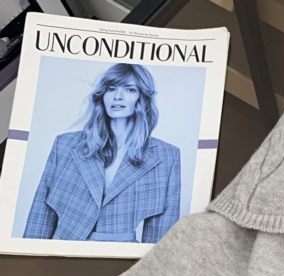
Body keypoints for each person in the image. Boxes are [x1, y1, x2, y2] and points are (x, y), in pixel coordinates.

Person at [23, 62, 181, 243]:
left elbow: (161, 236)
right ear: (102, 95)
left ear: (142, 97)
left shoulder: (166, 156)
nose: (118, 97)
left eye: (130, 90)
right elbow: (41, 213)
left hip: (119, 255)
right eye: (111, 89)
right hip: (62, 248)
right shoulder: (65, 144)